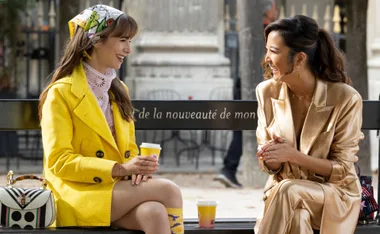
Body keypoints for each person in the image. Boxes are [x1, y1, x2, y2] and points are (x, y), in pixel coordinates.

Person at [39, 5, 184, 234]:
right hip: (75, 195)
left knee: (154, 213)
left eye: (130, 41)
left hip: (113, 190)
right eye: (123, 40)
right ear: (96, 40)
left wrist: (138, 166)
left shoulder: (119, 91)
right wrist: (118, 168)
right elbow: (59, 161)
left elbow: (127, 150)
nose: (128, 49)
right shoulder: (61, 93)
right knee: (169, 190)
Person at [254, 15, 363, 234]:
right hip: (285, 197)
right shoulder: (266, 92)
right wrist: (271, 158)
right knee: (297, 215)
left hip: (333, 194)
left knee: (289, 191)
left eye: (274, 51)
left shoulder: (345, 98)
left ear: (299, 59)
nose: (266, 58)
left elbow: (341, 170)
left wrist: (292, 155)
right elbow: (268, 165)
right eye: (267, 50)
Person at [214, 0, 278, 189]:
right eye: (274, 6)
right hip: (255, 86)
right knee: (246, 128)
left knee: (240, 128)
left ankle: (229, 170)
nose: (277, 10)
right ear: (267, 11)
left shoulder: (254, 31)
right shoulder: (270, 33)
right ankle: (230, 169)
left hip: (243, 83)